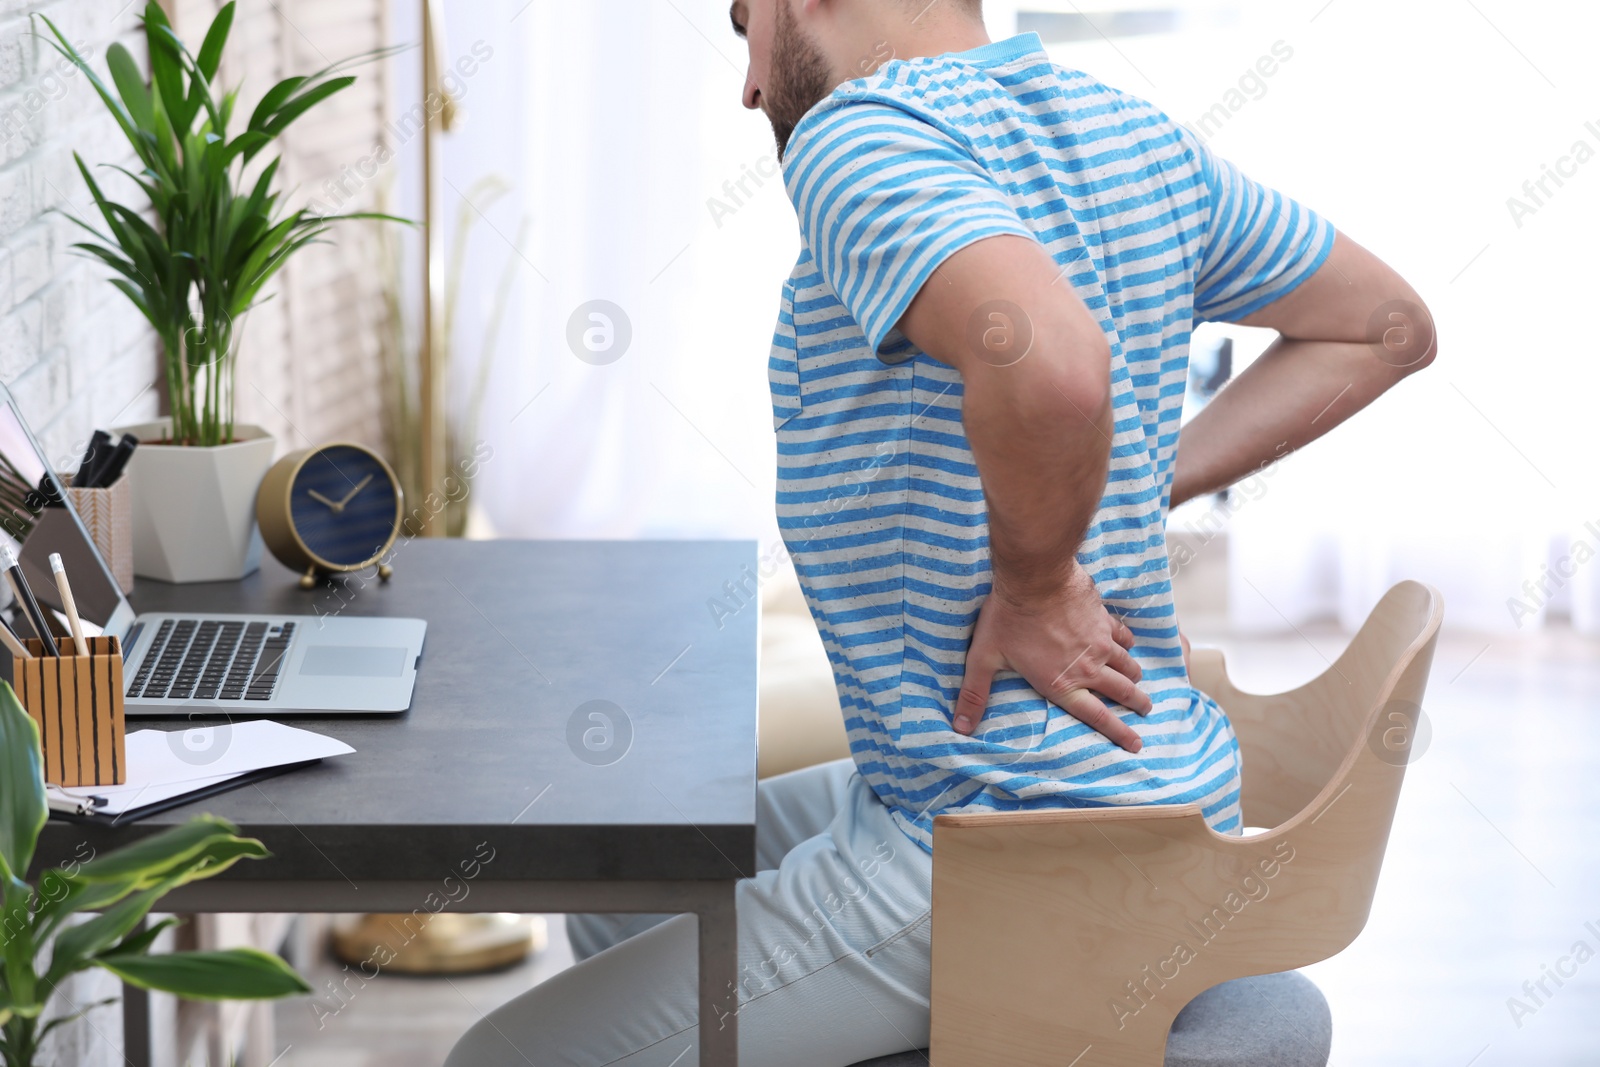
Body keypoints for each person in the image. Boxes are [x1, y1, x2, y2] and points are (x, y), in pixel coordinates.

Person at [445, 1, 1436, 1063]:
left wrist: (1041, 582)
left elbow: (1047, 363)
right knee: (632, 884)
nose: (746, 82)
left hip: (1005, 833)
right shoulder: (1134, 135)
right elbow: (1386, 324)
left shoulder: (857, 133)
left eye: (744, 24)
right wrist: (1134, 480)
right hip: (1109, 789)